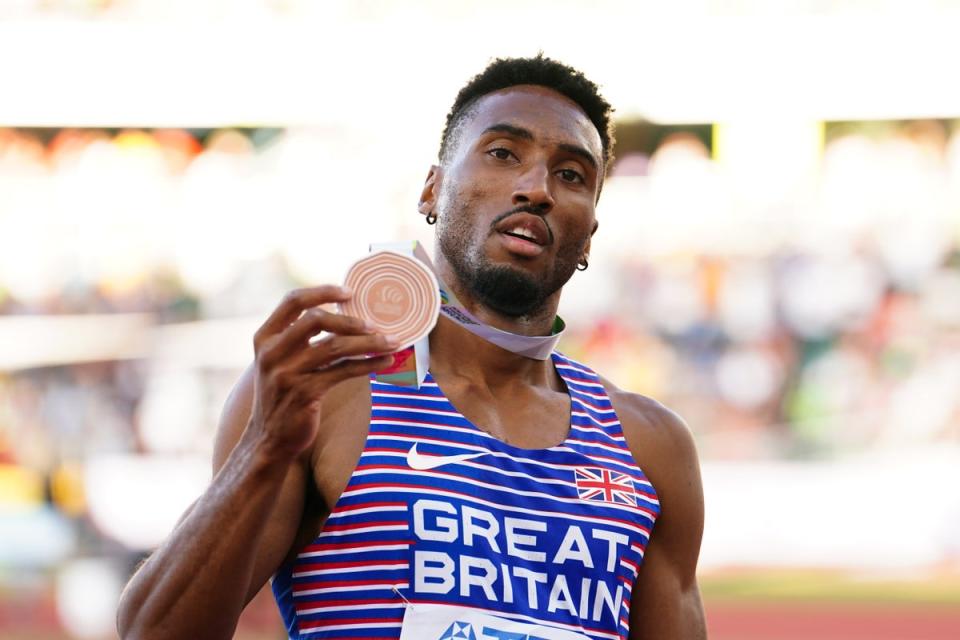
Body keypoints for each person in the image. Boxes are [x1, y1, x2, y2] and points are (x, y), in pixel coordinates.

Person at [116, 54, 706, 640]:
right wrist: (264, 450)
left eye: (571, 175)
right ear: (432, 190)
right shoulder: (326, 394)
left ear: (590, 236)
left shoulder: (650, 447)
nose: (536, 189)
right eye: (503, 153)